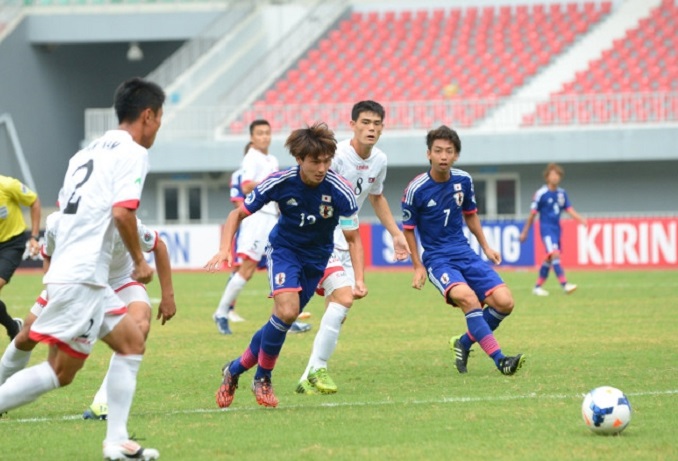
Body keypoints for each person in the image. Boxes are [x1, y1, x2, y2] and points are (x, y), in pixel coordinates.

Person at [0, 77, 164, 461]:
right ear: (148, 115)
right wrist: (140, 263)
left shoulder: (84, 154)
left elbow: (68, 211)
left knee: (130, 344)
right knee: (59, 372)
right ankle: (115, 441)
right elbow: (122, 212)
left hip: (78, 271)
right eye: (159, 119)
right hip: (84, 275)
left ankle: (116, 442)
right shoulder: (133, 152)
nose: (158, 127)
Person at [205, 122, 363, 408]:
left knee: (280, 320)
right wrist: (223, 248)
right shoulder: (280, 181)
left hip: (317, 259)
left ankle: (234, 370)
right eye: (315, 161)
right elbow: (236, 214)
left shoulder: (341, 190)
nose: (321, 168)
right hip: (285, 251)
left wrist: (359, 279)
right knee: (287, 311)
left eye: (326, 161)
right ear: (299, 159)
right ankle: (262, 378)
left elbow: (353, 237)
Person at [0, 212, 176, 421]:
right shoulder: (57, 222)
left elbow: (158, 245)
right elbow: (48, 255)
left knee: (140, 326)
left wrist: (168, 296)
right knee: (28, 336)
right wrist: (51, 292)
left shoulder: (125, 222)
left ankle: (104, 403)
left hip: (121, 281)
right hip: (74, 281)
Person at [295, 101, 410, 395]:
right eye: (366, 123)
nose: (371, 128)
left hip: (348, 239)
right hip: (322, 237)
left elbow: (376, 197)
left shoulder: (379, 160)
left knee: (338, 308)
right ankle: (316, 367)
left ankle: (308, 375)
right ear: (353, 125)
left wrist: (396, 233)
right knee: (341, 301)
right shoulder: (337, 157)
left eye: (377, 124)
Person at [401, 125, 525, 376]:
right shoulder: (416, 189)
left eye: (449, 151)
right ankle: (500, 360)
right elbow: (408, 229)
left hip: (465, 253)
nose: (443, 156)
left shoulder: (464, 180)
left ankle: (464, 342)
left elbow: (471, 215)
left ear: (456, 155)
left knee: (505, 303)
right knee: (469, 299)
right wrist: (417, 265)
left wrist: (487, 247)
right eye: (438, 151)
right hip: (438, 259)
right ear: (429, 154)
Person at [212, 122, 311, 335]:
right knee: (246, 270)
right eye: (260, 133)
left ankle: (284, 318)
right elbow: (246, 185)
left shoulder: (271, 159)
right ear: (252, 137)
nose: (264, 137)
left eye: (267, 133)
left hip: (273, 218)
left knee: (282, 266)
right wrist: (275, 184)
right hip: (257, 219)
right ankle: (221, 313)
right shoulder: (252, 157)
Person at [520, 163, 586, 296]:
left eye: (557, 175)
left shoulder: (562, 193)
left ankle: (537, 287)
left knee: (549, 258)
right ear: (547, 177)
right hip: (546, 229)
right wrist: (525, 231)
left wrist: (580, 219)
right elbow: (533, 213)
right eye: (552, 175)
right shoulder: (541, 193)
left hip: (557, 229)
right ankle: (565, 285)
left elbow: (569, 209)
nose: (555, 177)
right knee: (554, 254)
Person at [0, 175, 41, 341]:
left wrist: (34, 237)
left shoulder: (8, 185)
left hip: (11, 245)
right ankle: (12, 326)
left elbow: (34, 201)